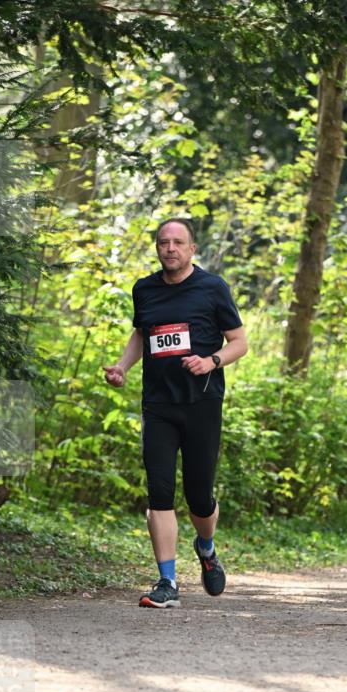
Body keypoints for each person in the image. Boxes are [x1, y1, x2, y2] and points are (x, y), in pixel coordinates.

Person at [104, 219, 248, 608]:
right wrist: (122, 367)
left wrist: (212, 361)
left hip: (201, 404)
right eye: (163, 242)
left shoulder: (213, 288)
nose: (170, 248)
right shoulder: (144, 289)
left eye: (178, 242)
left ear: (192, 249)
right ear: (156, 247)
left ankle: (206, 548)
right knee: (160, 492)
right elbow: (142, 334)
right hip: (159, 404)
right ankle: (167, 582)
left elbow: (240, 342)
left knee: (199, 497)